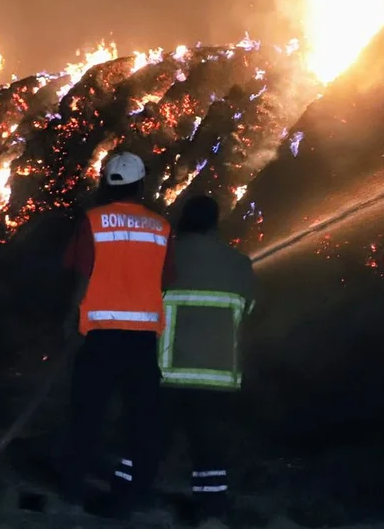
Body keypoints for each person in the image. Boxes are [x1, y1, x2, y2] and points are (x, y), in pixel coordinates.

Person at [59, 150, 175, 519]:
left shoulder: (92, 221)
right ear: (142, 185)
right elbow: (167, 280)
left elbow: (80, 274)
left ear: (107, 183)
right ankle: (132, 497)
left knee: (85, 416)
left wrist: (69, 321)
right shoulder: (161, 227)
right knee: (142, 422)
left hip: (100, 336)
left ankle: (73, 495)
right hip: (141, 341)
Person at [157, 194, 258, 524]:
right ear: (216, 225)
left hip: (168, 371)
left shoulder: (165, 258)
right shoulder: (239, 263)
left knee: (149, 438)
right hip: (217, 374)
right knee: (210, 449)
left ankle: (129, 499)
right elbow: (250, 308)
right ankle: (211, 511)